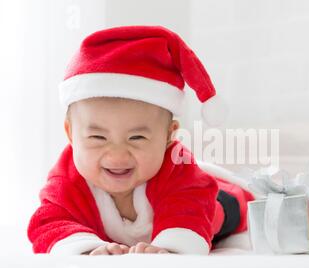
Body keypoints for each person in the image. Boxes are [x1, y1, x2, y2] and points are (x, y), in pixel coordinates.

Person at [27, 25, 254, 255]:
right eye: (98, 137)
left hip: (212, 203)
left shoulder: (179, 168)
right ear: (70, 134)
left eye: (136, 137)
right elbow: (49, 221)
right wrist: (85, 248)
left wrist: (171, 247)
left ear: (168, 136)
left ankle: (242, 200)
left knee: (224, 208)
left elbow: (191, 210)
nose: (117, 155)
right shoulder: (67, 179)